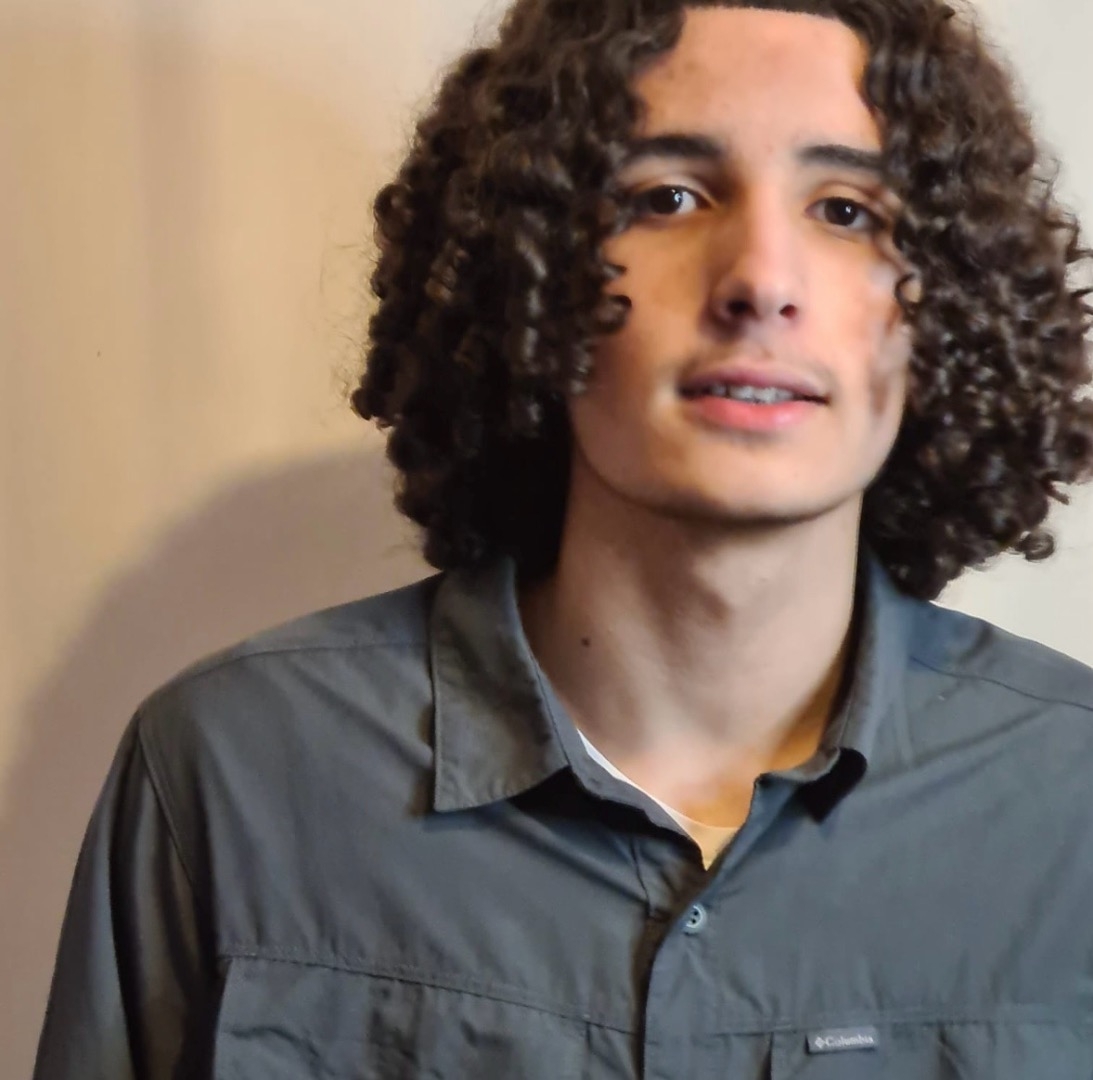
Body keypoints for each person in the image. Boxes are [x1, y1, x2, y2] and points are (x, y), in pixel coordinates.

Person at [35, 0, 1093, 1076]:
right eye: (666, 197)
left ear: (949, 305)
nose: (760, 283)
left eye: (846, 210)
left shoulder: (1074, 803)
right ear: (526, 272)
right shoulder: (237, 773)